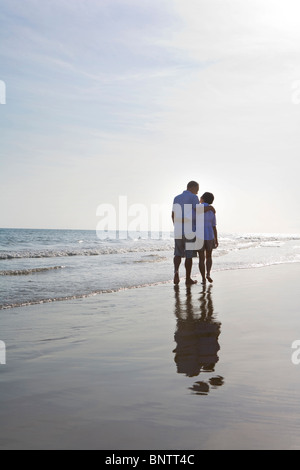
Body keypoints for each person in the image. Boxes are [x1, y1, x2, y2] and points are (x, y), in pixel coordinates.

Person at [172, 182, 215, 286]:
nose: (198, 191)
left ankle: (176, 271)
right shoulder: (193, 197)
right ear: (193, 187)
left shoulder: (176, 198)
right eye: (197, 188)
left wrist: (176, 227)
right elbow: (198, 210)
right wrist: (210, 208)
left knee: (177, 254)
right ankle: (187, 279)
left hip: (178, 230)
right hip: (189, 230)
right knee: (188, 256)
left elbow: (172, 214)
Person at [198, 192, 218, 284]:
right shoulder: (211, 211)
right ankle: (208, 274)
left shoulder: (198, 207)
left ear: (203, 198)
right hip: (210, 235)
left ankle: (203, 278)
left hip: (199, 236)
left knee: (201, 258)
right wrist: (216, 239)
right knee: (209, 257)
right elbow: (214, 226)